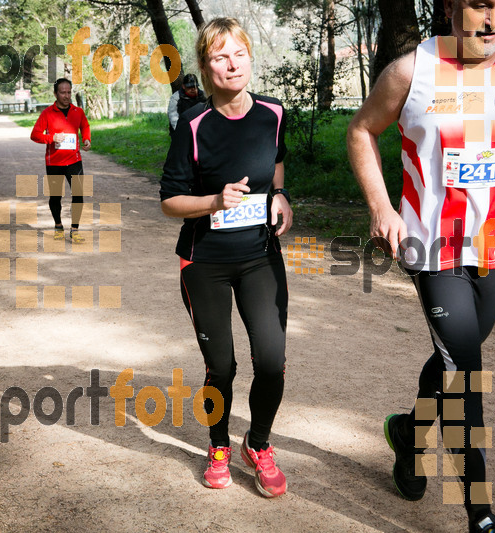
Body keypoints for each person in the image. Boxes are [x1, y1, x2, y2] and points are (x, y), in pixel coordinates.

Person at [346, 1, 495, 532]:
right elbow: (362, 130)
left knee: (457, 353)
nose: (493, 19)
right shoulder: (411, 71)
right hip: (434, 247)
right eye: (480, 3)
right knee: (465, 375)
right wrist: (382, 208)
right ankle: (481, 515)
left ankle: (410, 433)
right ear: (452, 6)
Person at [159, 17, 293, 498]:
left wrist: (279, 194)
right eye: (219, 56)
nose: (231, 63)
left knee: (272, 361)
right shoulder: (193, 125)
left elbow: (277, 160)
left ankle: (257, 444)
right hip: (205, 262)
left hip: (260, 255)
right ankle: (218, 445)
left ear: (250, 57)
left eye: (238, 53)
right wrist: (215, 201)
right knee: (224, 367)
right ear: (205, 66)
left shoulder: (274, 113)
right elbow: (169, 201)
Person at [30, 78, 91, 243]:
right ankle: (58, 225)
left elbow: (84, 126)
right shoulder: (47, 114)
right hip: (54, 163)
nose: (66, 96)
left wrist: (86, 139)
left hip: (74, 160)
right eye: (63, 92)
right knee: (55, 197)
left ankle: (75, 229)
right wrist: (51, 138)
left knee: (78, 194)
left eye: (69, 92)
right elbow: (34, 135)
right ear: (55, 94)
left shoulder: (78, 112)